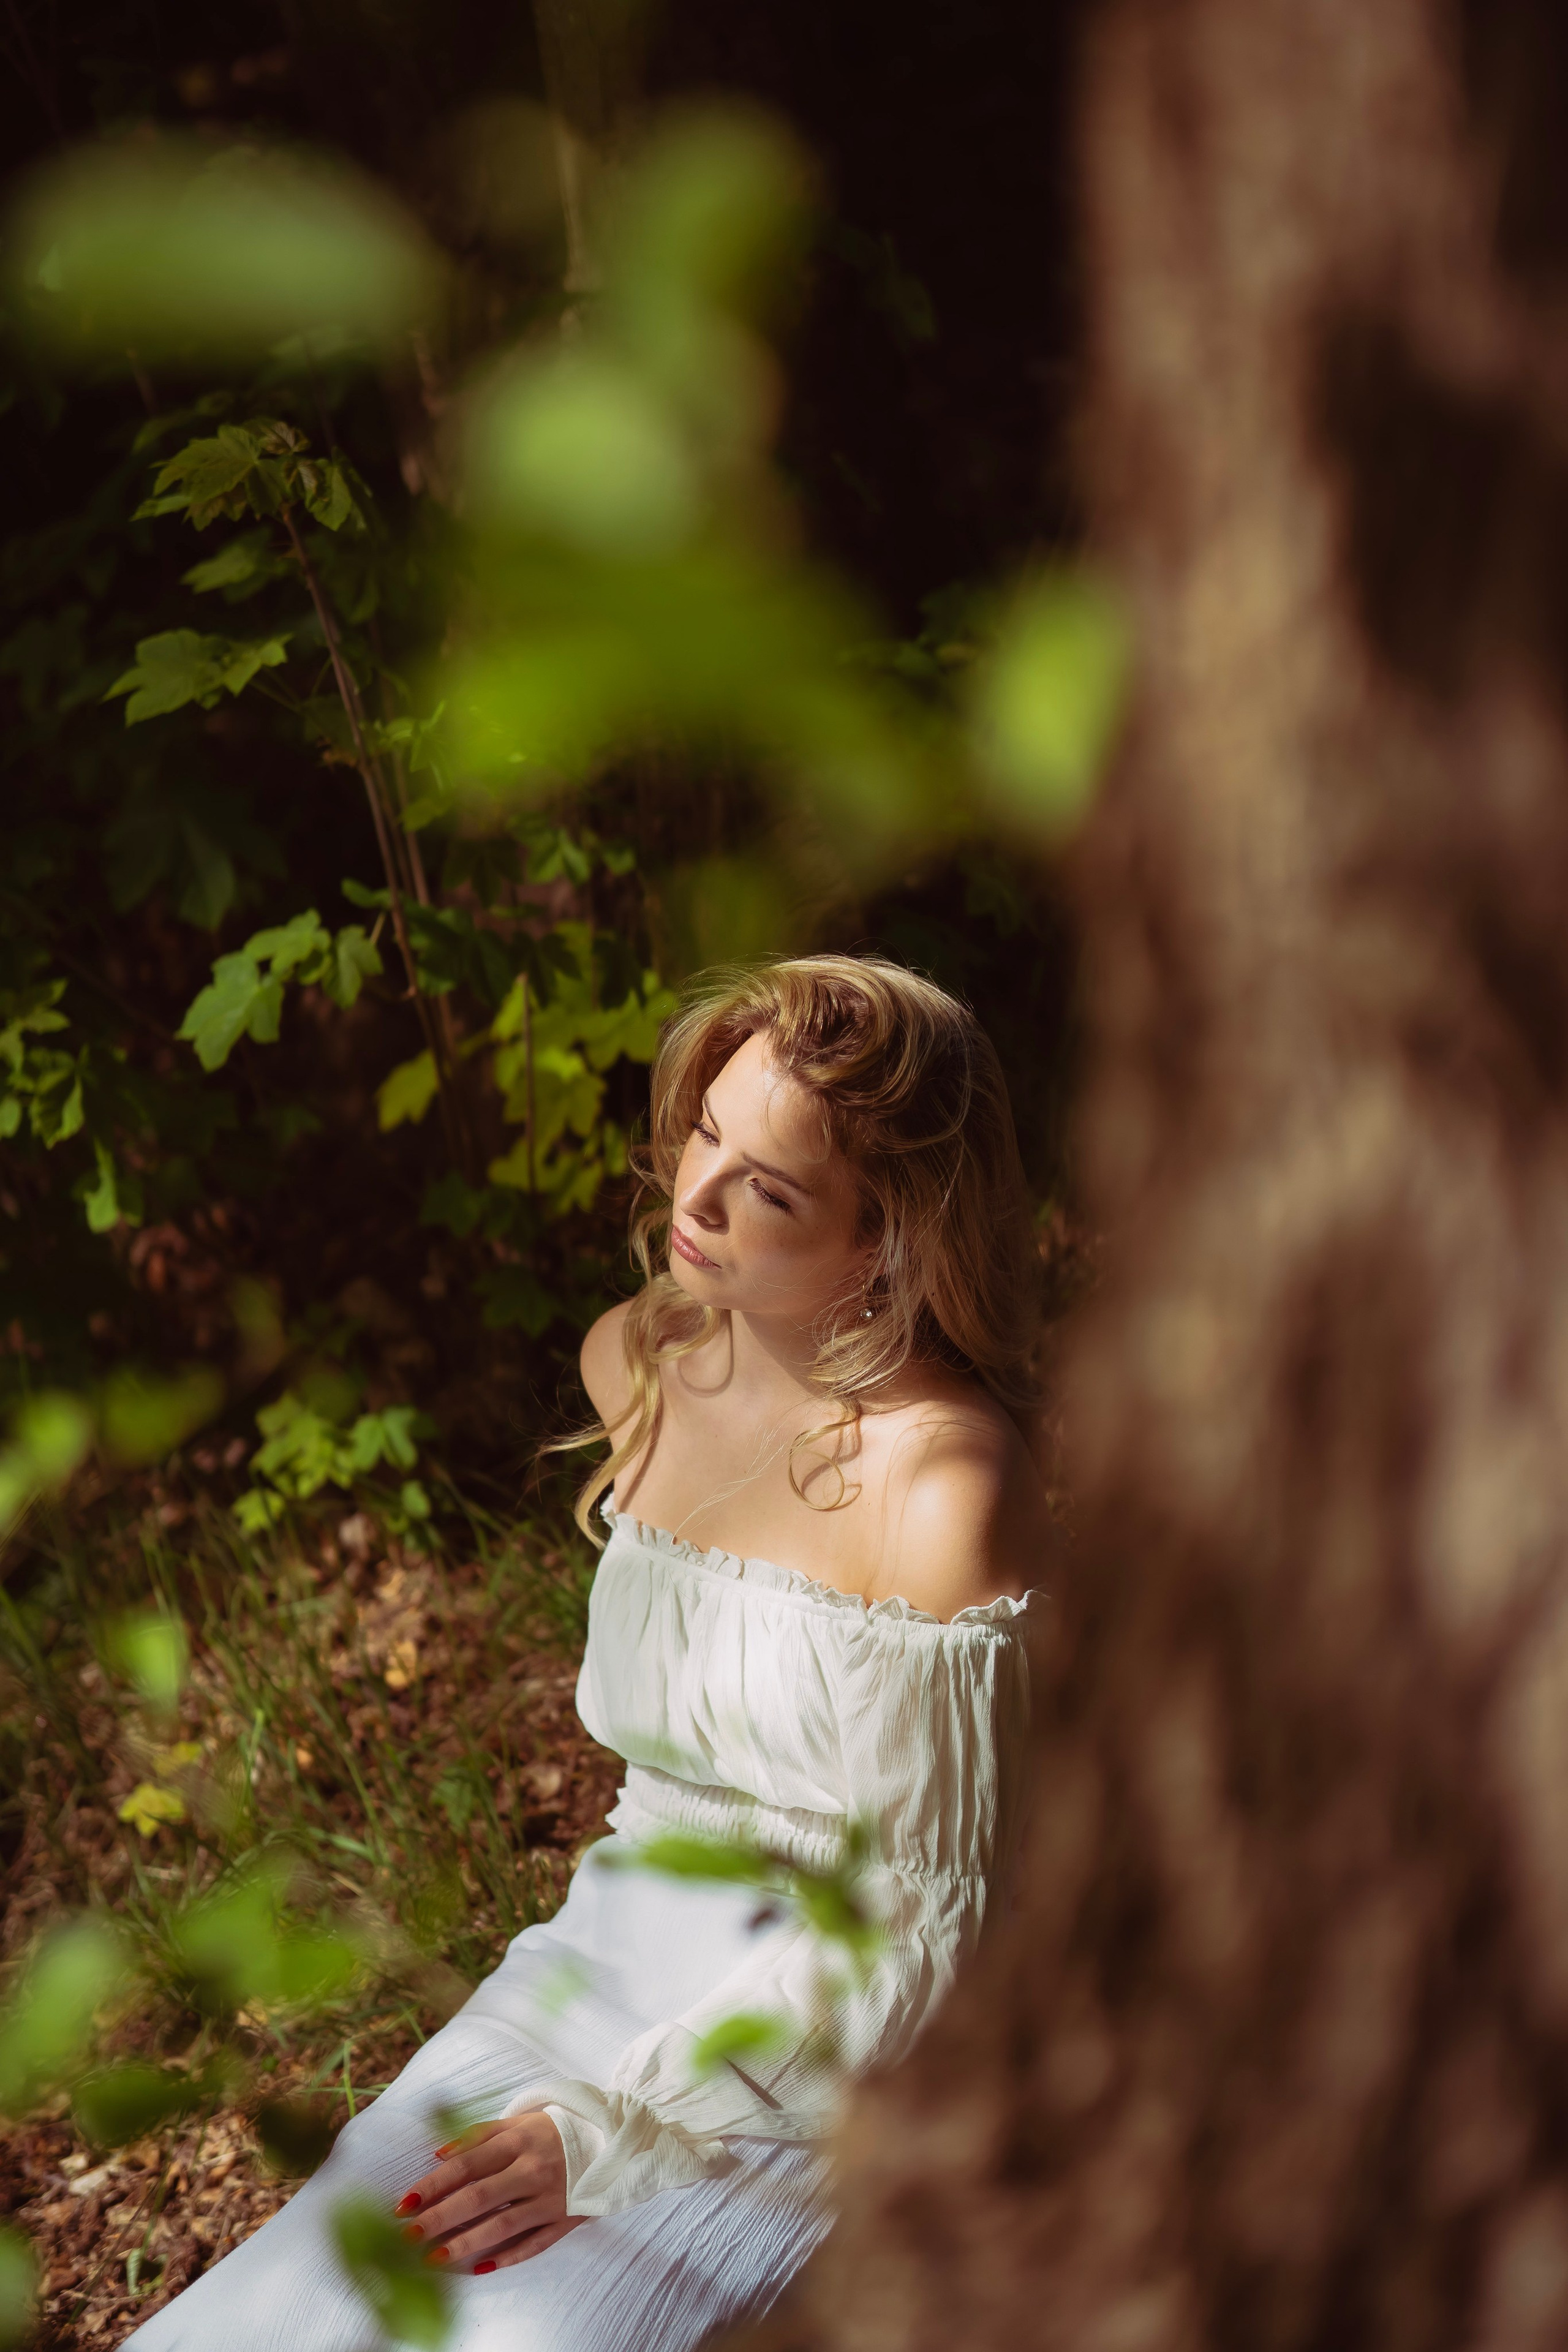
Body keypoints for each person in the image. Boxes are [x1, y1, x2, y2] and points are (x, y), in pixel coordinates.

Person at [125, 954, 1048, 2352]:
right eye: (705, 1135)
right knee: (292, 2309)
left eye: (771, 1189)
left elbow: (928, 1931)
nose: (697, 1197)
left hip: (818, 2060)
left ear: (884, 1243)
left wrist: (615, 2129)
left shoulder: (943, 1484)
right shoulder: (640, 1357)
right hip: (592, 1962)